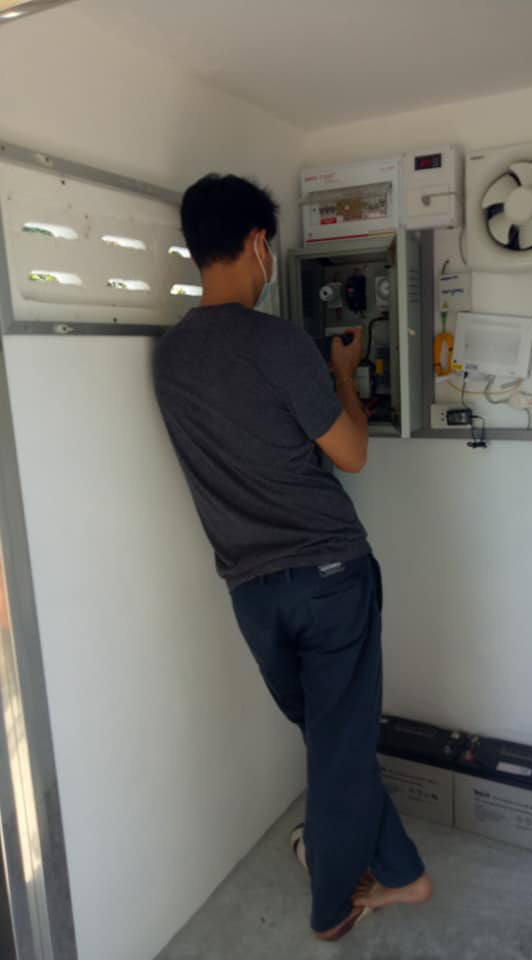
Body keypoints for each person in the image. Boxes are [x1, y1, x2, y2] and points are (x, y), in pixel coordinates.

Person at [153, 174, 431, 941]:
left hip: (252, 594)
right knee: (340, 746)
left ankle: (400, 869)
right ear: (257, 244)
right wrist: (342, 373)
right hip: (331, 578)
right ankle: (335, 906)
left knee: (332, 742)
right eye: (269, 247)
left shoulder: (170, 358)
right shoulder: (277, 342)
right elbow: (352, 453)